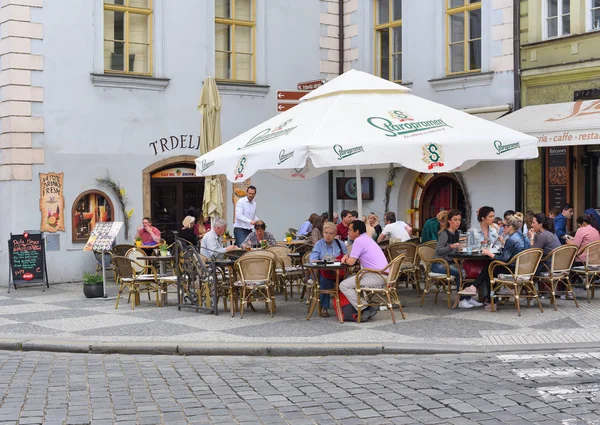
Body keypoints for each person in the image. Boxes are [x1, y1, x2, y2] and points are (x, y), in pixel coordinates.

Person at [465, 214, 531, 310]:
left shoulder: (512, 239)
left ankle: (490, 299)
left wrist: (488, 253)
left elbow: (504, 259)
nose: (502, 227)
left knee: (490, 268)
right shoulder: (523, 237)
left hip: (513, 270)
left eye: (504, 225)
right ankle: (483, 294)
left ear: (510, 227)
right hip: (524, 268)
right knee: (490, 267)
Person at [340, 220, 387, 321]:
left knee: (343, 285)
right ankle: (364, 306)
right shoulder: (367, 239)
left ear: (357, 231)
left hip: (376, 276)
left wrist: (344, 258)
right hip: (384, 275)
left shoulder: (359, 241)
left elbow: (351, 262)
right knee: (351, 280)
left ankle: (365, 308)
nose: (348, 232)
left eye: (350, 230)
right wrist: (348, 256)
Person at [432, 210, 476, 309]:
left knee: (468, 270)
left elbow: (453, 252)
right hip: (439, 264)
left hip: (450, 262)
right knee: (460, 272)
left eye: (459, 220)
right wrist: (451, 246)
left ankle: (468, 297)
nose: (458, 222)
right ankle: (462, 300)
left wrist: (459, 248)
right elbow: (438, 250)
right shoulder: (444, 233)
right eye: (455, 220)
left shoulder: (456, 233)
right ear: (449, 221)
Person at [310, 222, 347, 317]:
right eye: (326, 233)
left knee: (347, 282)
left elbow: (346, 256)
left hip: (339, 272)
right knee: (325, 281)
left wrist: (341, 259)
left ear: (335, 234)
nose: (328, 235)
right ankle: (324, 307)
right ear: (323, 233)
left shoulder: (340, 244)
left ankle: (345, 307)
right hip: (324, 272)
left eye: (331, 233)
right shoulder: (319, 244)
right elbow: (313, 259)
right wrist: (322, 260)